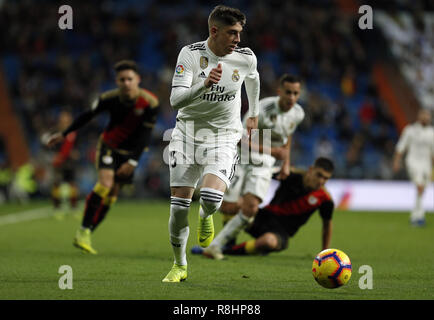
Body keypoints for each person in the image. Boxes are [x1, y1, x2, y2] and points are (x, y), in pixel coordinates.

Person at [163, 5, 260, 282]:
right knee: (179, 209)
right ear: (214, 31)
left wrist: (252, 114)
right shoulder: (190, 55)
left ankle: (207, 215)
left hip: (224, 135)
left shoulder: (245, 57)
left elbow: (253, 78)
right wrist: (203, 85)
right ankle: (179, 265)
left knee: (211, 198)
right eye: (232, 33)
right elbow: (175, 101)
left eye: (240, 33)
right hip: (187, 133)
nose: (238, 40)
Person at [47, 60, 159, 254]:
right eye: (121, 79)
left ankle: (87, 232)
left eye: (129, 79)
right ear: (116, 81)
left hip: (130, 153)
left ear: (138, 80)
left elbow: (145, 135)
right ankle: (83, 231)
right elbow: (86, 116)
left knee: (112, 198)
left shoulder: (150, 103)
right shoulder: (108, 98)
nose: (126, 83)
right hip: (109, 147)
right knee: (105, 184)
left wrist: (133, 161)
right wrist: (64, 134)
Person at [204, 74, 304, 260]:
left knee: (250, 207)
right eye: (288, 92)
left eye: (295, 93)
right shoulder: (262, 109)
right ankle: (227, 243)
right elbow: (241, 140)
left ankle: (216, 246)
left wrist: (286, 164)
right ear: (279, 92)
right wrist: (274, 151)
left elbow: (287, 138)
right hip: (241, 159)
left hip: (263, 164)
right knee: (228, 207)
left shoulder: (298, 113)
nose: (291, 97)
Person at [192, 157, 335, 259]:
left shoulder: (325, 199)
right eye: (319, 175)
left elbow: (327, 226)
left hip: (281, 233)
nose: (321, 181)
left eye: (326, 178)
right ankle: (225, 243)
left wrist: (324, 253)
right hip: (263, 217)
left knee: (268, 242)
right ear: (311, 170)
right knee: (232, 205)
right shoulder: (290, 174)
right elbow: (262, 174)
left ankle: (225, 249)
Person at [393, 109, 434, 227]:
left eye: (428, 116)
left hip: (426, 164)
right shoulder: (410, 130)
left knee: (421, 189)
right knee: (419, 186)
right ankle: (419, 216)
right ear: (419, 116)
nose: (426, 117)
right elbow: (401, 146)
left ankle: (415, 215)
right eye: (424, 115)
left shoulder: (432, 133)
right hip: (413, 161)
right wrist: (397, 161)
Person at [50, 111, 80, 220]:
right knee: (57, 185)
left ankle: (74, 208)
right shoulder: (55, 132)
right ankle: (57, 209)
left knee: (72, 185)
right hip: (58, 163)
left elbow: (77, 147)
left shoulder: (74, 132)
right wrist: (55, 155)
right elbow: (50, 145)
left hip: (70, 163)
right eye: (63, 118)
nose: (65, 120)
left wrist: (75, 153)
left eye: (67, 118)